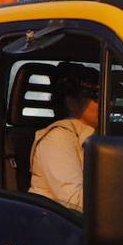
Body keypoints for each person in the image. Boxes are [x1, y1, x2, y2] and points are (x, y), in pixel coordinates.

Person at [29, 62, 99, 212]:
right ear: (72, 102)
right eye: (96, 96)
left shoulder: (95, 135)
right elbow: (76, 202)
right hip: (57, 229)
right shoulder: (57, 138)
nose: (109, 102)